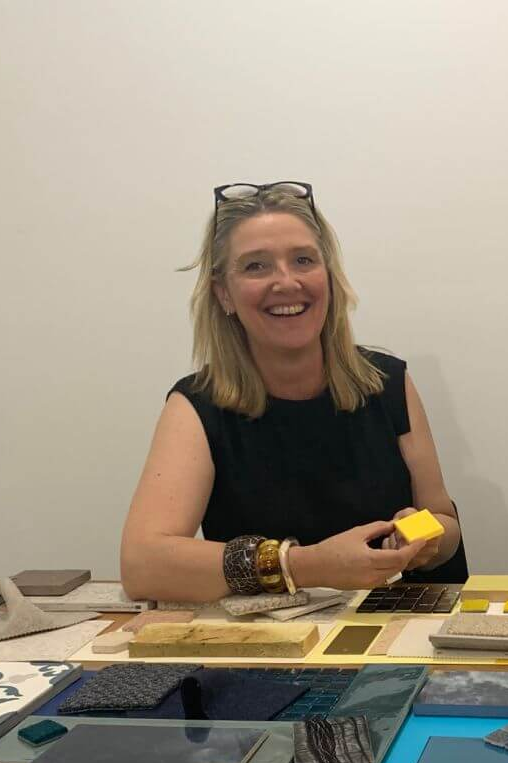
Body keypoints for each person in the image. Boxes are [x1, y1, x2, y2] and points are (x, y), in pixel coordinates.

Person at [121, 181, 466, 602]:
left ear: (329, 277)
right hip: (268, 638)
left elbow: (444, 522)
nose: (286, 282)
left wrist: (425, 538)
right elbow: (142, 566)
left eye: (303, 260)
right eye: (256, 266)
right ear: (223, 293)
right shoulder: (196, 406)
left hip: (394, 628)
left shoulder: (387, 381)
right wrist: (306, 565)